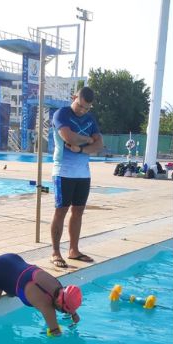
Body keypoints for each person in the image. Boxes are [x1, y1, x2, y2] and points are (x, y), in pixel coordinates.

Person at [50, 86, 103, 268]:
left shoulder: (90, 119)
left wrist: (81, 148)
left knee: (78, 211)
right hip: (63, 171)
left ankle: (74, 250)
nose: (83, 111)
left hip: (83, 173)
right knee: (61, 211)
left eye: (87, 108)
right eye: (80, 106)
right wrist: (88, 139)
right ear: (74, 97)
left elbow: (99, 145)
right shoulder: (61, 114)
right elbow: (68, 137)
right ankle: (56, 252)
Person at [0, 253, 82, 336]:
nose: (65, 313)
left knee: (11, 294)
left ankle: (9, 285)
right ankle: (2, 282)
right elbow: (55, 333)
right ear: (59, 303)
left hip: (13, 259)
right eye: (64, 311)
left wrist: (74, 314)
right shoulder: (45, 304)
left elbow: (67, 299)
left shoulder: (58, 286)